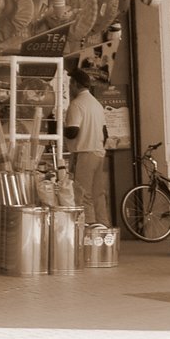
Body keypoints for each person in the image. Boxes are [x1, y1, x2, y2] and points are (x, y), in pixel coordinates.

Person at [64, 68, 110, 224]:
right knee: (98, 194)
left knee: (82, 194)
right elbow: (105, 133)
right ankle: (103, 227)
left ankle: (88, 229)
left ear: (75, 84)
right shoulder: (97, 105)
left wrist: (59, 128)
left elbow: (72, 131)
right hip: (98, 153)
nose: (69, 87)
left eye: (70, 83)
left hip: (83, 153)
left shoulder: (76, 104)